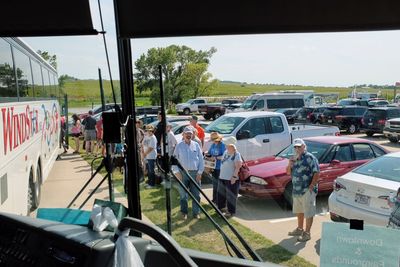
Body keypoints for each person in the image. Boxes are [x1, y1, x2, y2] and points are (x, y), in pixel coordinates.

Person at [286, 138, 320, 242]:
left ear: (304, 147)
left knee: (308, 212)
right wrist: (290, 163)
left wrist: (311, 186)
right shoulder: (293, 158)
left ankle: (307, 233)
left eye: (299, 146)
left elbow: (316, 172)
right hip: (296, 190)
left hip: (306, 190)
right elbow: (288, 172)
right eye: (295, 147)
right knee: (299, 211)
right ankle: (299, 229)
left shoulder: (310, 157)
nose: (297, 148)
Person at [173, 126, 204, 220]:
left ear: (192, 134)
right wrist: (177, 172)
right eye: (187, 133)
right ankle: (184, 212)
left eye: (190, 133)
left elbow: (201, 160)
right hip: (182, 174)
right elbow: (173, 161)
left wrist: (200, 172)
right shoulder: (179, 145)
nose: (188, 135)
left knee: (196, 195)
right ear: (183, 134)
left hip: (195, 174)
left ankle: (196, 213)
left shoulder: (196, 145)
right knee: (183, 195)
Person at [217, 136, 241, 217]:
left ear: (232, 146)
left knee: (231, 196)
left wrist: (234, 177)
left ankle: (230, 212)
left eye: (227, 144)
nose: (225, 145)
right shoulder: (226, 152)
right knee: (221, 194)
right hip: (222, 177)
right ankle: (221, 208)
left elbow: (238, 166)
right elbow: (223, 159)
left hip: (231, 179)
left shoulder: (237, 154)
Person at [207, 132, 226, 204]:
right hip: (213, 167)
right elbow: (209, 153)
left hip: (220, 167)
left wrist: (215, 157)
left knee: (219, 185)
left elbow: (224, 156)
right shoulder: (213, 145)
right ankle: (214, 199)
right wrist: (207, 154)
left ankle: (219, 200)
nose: (214, 141)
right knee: (215, 184)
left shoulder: (222, 145)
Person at [142, 124, 158, 189]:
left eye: (150, 131)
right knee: (148, 170)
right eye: (148, 130)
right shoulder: (146, 136)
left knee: (151, 170)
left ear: (152, 131)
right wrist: (143, 152)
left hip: (151, 156)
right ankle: (149, 182)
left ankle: (152, 184)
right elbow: (143, 144)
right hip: (146, 155)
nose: (149, 132)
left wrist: (144, 154)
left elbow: (151, 148)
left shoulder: (153, 138)